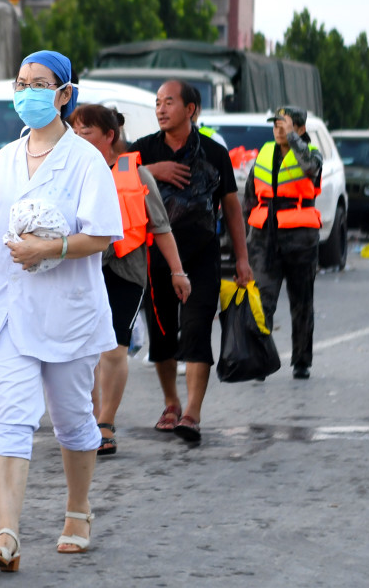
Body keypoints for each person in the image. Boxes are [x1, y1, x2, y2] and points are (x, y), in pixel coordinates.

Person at [0, 51, 123, 571]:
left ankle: (78, 509)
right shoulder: (5, 157)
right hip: (6, 308)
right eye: (20, 83)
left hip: (66, 312)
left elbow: (102, 236)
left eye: (39, 84)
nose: (26, 92)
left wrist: (50, 250)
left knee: (73, 422)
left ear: (64, 94)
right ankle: (7, 534)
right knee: (11, 418)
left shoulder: (86, 159)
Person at [129, 79, 253, 445]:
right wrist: (154, 170)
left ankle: (192, 413)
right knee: (162, 333)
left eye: (169, 102)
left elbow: (232, 207)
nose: (161, 109)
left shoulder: (214, 153)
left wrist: (242, 259)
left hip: (201, 257)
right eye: (157, 103)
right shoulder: (142, 150)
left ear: (191, 110)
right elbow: (115, 179)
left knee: (198, 330)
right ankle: (171, 403)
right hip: (154, 257)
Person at [70, 104, 191, 456]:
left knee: (113, 347)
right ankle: (85, 420)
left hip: (124, 270)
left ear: (109, 136)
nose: (78, 138)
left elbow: (161, 228)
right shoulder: (67, 172)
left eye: (86, 132)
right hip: (79, 268)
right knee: (81, 349)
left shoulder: (135, 175)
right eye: (74, 132)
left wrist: (177, 271)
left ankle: (105, 423)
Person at [244, 106, 322, 380]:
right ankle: (261, 361)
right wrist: (245, 236)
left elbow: (310, 168)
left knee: (301, 302)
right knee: (261, 301)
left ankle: (302, 361)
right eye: (275, 124)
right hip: (265, 236)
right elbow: (250, 196)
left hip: (300, 237)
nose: (278, 129)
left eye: (284, 124)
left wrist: (295, 140)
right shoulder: (264, 154)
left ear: (299, 128)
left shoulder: (310, 152)